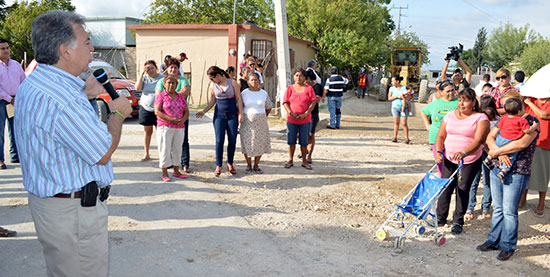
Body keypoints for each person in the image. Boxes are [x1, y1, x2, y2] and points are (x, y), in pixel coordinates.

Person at [15, 10, 132, 276]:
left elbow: (56, 124)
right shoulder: (62, 99)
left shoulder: (38, 82)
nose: (92, 48)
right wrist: (118, 113)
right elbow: (102, 152)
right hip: (73, 215)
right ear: (65, 51)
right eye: (87, 42)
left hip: (55, 208)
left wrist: (85, 94)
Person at [477, 91, 539, 261]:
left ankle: (508, 246)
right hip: (498, 167)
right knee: (497, 207)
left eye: (508, 104)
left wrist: (497, 151)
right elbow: (490, 136)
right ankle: (493, 240)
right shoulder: (505, 119)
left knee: (509, 211)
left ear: (519, 103)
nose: (504, 109)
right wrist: (498, 152)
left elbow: (522, 144)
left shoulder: (532, 122)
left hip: (517, 171)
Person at [435, 88, 489, 235]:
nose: (461, 103)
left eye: (465, 101)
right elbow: (440, 136)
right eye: (460, 100)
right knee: (445, 187)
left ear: (473, 102)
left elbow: (478, 141)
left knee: (462, 188)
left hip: (469, 160)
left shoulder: (481, 118)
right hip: (449, 158)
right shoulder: (451, 115)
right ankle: (440, 218)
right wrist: (439, 153)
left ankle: (458, 221)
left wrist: (464, 152)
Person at [196, 66, 243, 176]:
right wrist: (203, 111)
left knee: (232, 140)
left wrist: (240, 113)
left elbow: (238, 98)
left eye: (212, 78)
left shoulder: (233, 83)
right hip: (219, 115)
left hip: (232, 114)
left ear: (217, 75)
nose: (211, 81)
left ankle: (230, 162)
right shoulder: (213, 85)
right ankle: (218, 165)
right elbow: (212, 101)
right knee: (219, 140)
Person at [484, 98, 536, 182]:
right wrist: (534, 127)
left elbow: (498, 127)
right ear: (519, 111)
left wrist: (497, 152)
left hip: (500, 138)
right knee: (511, 157)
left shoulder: (504, 117)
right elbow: (527, 131)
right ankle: (503, 172)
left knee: (496, 145)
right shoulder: (522, 120)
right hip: (510, 141)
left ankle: (488, 158)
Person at [155, 57, 192, 173]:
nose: (171, 85)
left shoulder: (180, 96)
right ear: (164, 84)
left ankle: (177, 169)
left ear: (177, 84)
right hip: (165, 125)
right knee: (165, 148)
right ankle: (165, 172)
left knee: (178, 147)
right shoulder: (161, 96)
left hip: (179, 125)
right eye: (169, 83)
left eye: (173, 83)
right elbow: (157, 111)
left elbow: (186, 110)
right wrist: (170, 119)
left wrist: (182, 120)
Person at [466, 94, 499, 220]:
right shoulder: (499, 119)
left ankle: (470, 208)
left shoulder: (476, 117)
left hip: (477, 151)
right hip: (491, 152)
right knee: (487, 181)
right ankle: (485, 208)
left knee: (473, 182)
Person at [519, 95, 550, 217]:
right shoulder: (531, 99)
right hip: (528, 142)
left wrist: (529, 103)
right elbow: (522, 113)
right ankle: (523, 199)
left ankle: (541, 202)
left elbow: (544, 115)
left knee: (543, 175)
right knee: (526, 171)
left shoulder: (532, 102)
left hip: (545, 143)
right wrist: (523, 100)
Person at [421, 81, 458, 176]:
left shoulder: (459, 102)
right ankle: (443, 183)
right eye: (448, 91)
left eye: (452, 90)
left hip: (453, 138)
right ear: (441, 92)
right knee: (440, 162)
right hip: (436, 136)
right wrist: (427, 125)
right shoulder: (435, 103)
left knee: (454, 163)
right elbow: (424, 112)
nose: (451, 93)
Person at [283, 68, 317, 170]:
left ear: (304, 78)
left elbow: (313, 102)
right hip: (292, 120)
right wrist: (290, 112)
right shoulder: (289, 88)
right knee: (291, 141)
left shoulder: (309, 89)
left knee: (304, 141)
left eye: (301, 75)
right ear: (293, 77)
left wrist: (306, 113)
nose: (298, 77)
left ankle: (304, 161)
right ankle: (290, 160)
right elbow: (285, 102)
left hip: (305, 120)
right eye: (296, 75)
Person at [0, 38, 25, 169]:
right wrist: (9, 98)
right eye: (2, 48)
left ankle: (15, 155)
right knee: (0, 131)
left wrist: (19, 97)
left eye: (7, 48)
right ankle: (0, 160)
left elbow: (23, 81)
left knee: (16, 129)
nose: (6, 51)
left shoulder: (16, 65)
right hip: (2, 101)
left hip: (16, 101)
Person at [240, 73, 272, 174]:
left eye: (256, 80)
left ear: (259, 81)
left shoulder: (263, 93)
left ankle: (256, 165)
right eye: (252, 80)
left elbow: (268, 107)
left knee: (260, 143)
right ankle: (248, 165)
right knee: (247, 143)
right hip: (247, 123)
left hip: (261, 122)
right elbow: (239, 106)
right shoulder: (244, 93)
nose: (254, 82)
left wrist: (262, 116)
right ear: (248, 82)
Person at [135, 60, 164, 162]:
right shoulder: (144, 78)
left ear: (156, 68)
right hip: (145, 107)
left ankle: (162, 154)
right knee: (148, 132)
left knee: (160, 132)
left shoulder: (162, 78)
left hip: (159, 108)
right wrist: (141, 74)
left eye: (152, 68)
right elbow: (137, 88)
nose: (150, 70)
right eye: (147, 68)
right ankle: (146, 153)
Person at [304, 69, 323, 164]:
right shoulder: (304, 87)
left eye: (304, 78)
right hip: (303, 114)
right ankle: (304, 151)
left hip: (313, 115)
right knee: (301, 135)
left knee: (311, 134)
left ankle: (309, 156)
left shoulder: (318, 87)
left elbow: (318, 100)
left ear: (308, 78)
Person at [387, 75, 410, 143]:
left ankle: (407, 138)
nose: (392, 82)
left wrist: (404, 97)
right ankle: (395, 137)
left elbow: (408, 96)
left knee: (404, 123)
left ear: (397, 81)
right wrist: (397, 96)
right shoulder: (391, 89)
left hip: (404, 107)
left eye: (393, 81)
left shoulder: (404, 88)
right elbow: (389, 98)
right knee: (396, 122)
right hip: (395, 107)